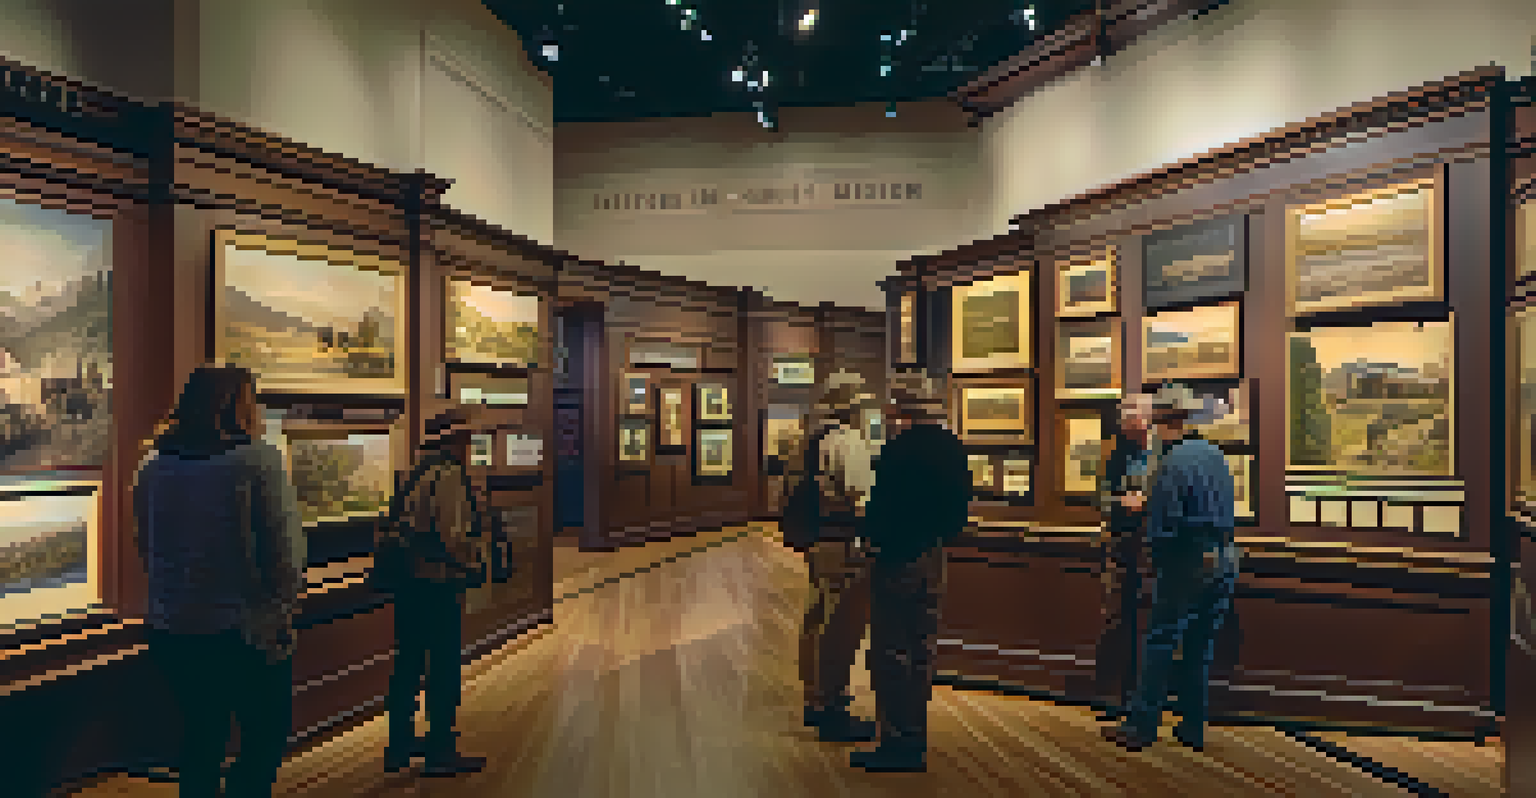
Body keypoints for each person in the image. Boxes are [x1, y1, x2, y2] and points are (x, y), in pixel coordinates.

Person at [132, 364, 304, 798]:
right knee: (264, 739)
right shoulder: (257, 461)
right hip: (242, 630)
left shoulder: (152, 466)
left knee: (200, 739)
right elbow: (286, 554)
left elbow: (145, 546)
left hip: (172, 628)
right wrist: (280, 612)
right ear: (235, 405)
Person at [1104, 383, 1239, 753]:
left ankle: (1142, 724)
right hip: (1225, 557)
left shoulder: (1172, 462)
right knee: (1200, 645)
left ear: (1162, 423)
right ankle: (1192, 726)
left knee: (1161, 640)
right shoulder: (1213, 453)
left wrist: (1157, 560)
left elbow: (1164, 528)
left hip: (1188, 560)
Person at [850, 373, 970, 773]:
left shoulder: (897, 451)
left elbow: (882, 511)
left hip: (897, 560)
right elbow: (958, 512)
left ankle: (897, 741)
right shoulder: (952, 447)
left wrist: (874, 542)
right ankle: (914, 736)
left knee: (890, 652)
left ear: (901, 410)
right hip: (934, 557)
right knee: (922, 651)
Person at [379, 408, 489, 776]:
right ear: (455, 441)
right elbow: (452, 535)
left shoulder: (417, 472)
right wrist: (478, 555)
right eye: (467, 439)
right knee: (443, 669)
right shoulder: (450, 476)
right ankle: (440, 749)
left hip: (409, 583)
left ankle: (399, 745)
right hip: (437, 583)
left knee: (407, 665)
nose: (471, 446)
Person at [792, 370, 879, 743]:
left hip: (818, 542)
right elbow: (862, 497)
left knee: (816, 619)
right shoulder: (848, 442)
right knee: (840, 626)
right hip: (843, 542)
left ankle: (815, 698)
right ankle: (832, 706)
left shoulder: (811, 441)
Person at [1091, 393, 1156, 721]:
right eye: (1125, 418)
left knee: (1150, 625)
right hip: (1120, 547)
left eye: (1134, 417)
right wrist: (1120, 503)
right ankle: (1118, 696)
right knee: (1118, 621)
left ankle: (1143, 702)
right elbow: (1102, 499)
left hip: (1152, 551)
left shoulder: (1163, 455)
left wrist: (1146, 503)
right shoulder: (1116, 454)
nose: (1128, 423)